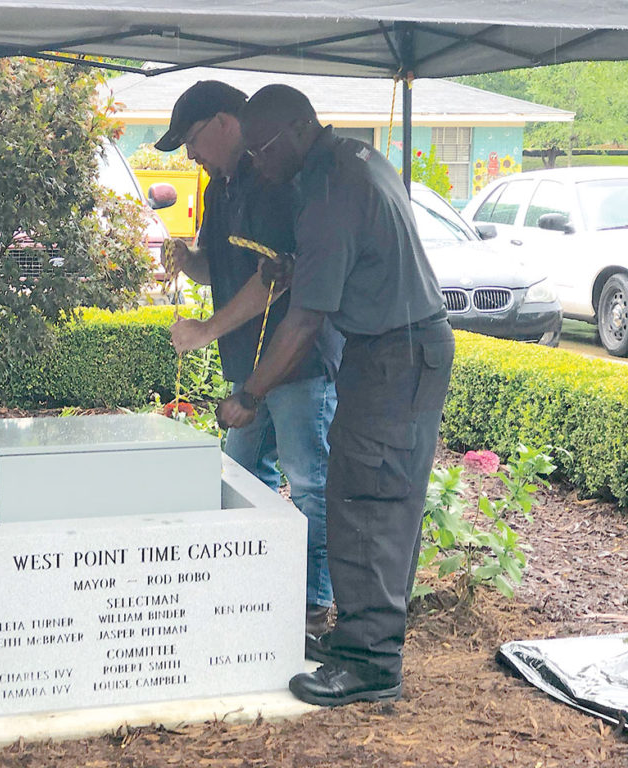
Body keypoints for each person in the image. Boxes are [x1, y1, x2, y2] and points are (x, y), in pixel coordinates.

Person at [218, 84, 454, 707]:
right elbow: (358, 256)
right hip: (400, 351)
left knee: (367, 501)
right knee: (372, 494)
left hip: (390, 358)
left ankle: (371, 663)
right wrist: (302, 268)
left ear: (297, 129)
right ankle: (360, 639)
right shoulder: (354, 158)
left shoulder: (325, 191)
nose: (258, 164)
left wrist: (250, 394)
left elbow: (303, 322)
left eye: (262, 150)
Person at [155, 81, 343, 646]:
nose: (189, 155)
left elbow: (275, 281)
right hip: (249, 370)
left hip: (296, 366)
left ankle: (312, 605)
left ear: (223, 122)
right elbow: (224, 269)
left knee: (309, 483)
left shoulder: (278, 182)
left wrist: (206, 330)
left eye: (190, 139)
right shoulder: (220, 187)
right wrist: (190, 259)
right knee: (242, 477)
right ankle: (254, 590)